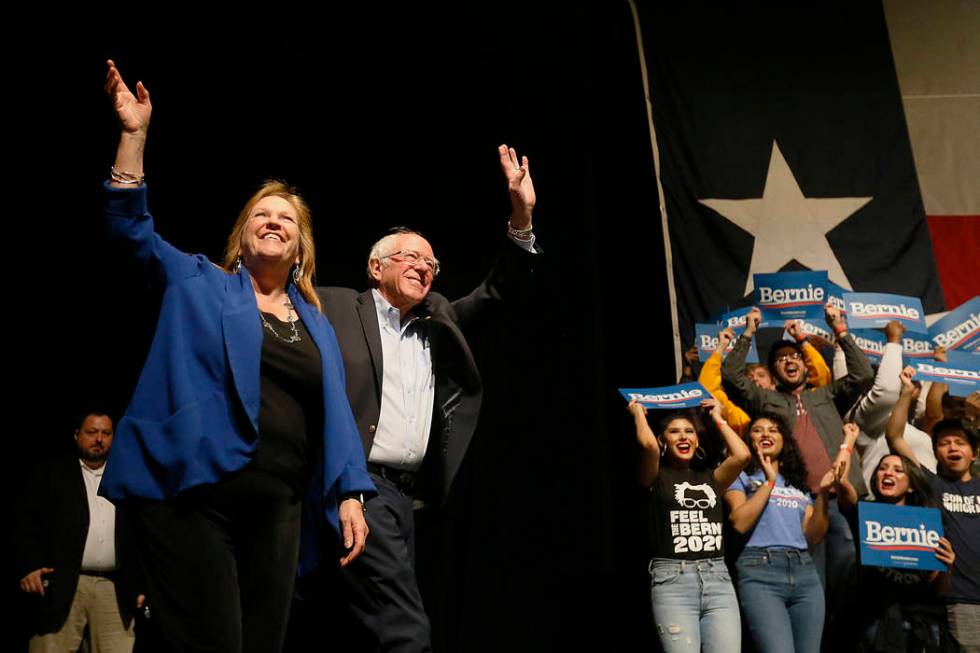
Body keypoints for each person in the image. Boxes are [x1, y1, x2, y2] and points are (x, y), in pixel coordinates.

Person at [98, 60, 374, 652]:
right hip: (197, 495)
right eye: (261, 215)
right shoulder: (199, 281)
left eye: (286, 220)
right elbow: (130, 233)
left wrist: (349, 491)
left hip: (279, 508)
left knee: (262, 644)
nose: (273, 223)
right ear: (242, 234)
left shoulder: (316, 321)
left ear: (301, 245)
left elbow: (334, 414)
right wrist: (134, 137)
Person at [314, 144, 541, 652]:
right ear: (376, 268)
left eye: (431, 261)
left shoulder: (437, 323)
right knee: (406, 630)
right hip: (356, 486)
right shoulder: (334, 307)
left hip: (407, 498)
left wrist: (521, 216)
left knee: (366, 626)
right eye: (411, 256)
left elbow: (500, 290)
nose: (425, 266)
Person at [721, 303, 872, 626]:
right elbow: (732, 376)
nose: (788, 361)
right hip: (801, 503)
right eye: (779, 360)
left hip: (842, 499)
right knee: (813, 582)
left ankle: (839, 628)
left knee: (851, 569)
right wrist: (749, 333)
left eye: (793, 357)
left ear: (805, 364)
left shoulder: (827, 395)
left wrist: (839, 329)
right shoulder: (768, 401)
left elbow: (863, 374)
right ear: (774, 373)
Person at [628, 397, 752, 652]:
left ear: (697, 441)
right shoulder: (655, 476)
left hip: (717, 579)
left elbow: (742, 455)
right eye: (674, 432)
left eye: (689, 432)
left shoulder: (710, 478)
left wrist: (718, 417)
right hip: (674, 582)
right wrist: (638, 413)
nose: (683, 437)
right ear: (663, 440)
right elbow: (648, 445)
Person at [724, 415, 854, 653]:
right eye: (757, 430)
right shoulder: (741, 476)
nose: (766, 434)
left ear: (784, 441)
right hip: (760, 572)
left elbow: (813, 535)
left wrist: (823, 494)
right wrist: (769, 483)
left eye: (773, 430)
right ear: (748, 439)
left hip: (805, 573)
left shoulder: (796, 485)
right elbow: (739, 523)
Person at [16, 412, 143, 652]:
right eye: (92, 432)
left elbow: (142, 535)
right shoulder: (52, 474)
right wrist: (29, 565)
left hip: (114, 589)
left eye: (106, 433)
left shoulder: (127, 479)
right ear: (77, 435)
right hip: (62, 586)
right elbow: (25, 524)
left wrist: (142, 585)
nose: (99, 439)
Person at [886, 366, 980, 652]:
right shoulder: (933, 484)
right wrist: (906, 395)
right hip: (960, 598)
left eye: (960, 442)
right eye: (944, 443)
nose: (952, 447)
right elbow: (895, 438)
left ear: (974, 453)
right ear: (935, 451)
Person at [840, 451, 957, 652]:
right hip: (874, 622)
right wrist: (848, 445)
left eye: (898, 470)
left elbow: (939, 588)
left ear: (911, 485)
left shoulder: (929, 523)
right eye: (883, 468)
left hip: (920, 623)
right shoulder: (865, 513)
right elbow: (843, 488)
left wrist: (947, 566)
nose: (888, 473)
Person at [699, 320, 832, 436]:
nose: (755, 380)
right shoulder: (746, 420)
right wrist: (720, 348)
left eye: (761, 375)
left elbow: (821, 378)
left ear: (773, 382)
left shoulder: (801, 403)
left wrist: (802, 341)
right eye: (749, 378)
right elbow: (708, 391)